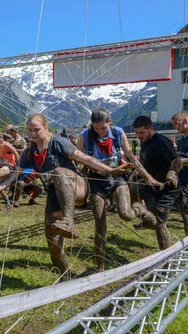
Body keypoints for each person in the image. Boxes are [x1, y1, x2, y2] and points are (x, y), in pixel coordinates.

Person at [0, 114, 131, 279]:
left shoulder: (58, 142)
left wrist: (109, 170)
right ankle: (66, 276)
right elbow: (15, 173)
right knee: (53, 242)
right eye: (30, 130)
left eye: (36, 130)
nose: (32, 133)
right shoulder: (30, 152)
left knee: (59, 172)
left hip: (77, 187)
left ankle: (69, 220)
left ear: (46, 127)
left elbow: (85, 158)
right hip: (55, 195)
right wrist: (0, 187)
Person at [77, 108, 157, 271]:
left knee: (125, 214)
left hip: (117, 178)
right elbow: (78, 159)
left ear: (110, 122)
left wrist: (148, 177)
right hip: (96, 181)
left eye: (103, 128)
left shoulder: (119, 133)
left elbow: (131, 157)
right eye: (96, 128)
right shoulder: (84, 136)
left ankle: (138, 208)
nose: (99, 132)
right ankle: (100, 266)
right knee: (100, 225)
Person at [133, 116, 181, 250]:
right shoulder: (144, 141)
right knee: (131, 191)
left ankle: (165, 256)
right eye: (136, 133)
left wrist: (171, 173)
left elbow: (177, 161)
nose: (139, 136)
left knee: (160, 223)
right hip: (151, 184)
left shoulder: (161, 141)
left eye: (141, 133)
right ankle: (148, 219)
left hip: (167, 187)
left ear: (151, 129)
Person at [172, 111, 188, 235]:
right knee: (184, 212)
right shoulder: (181, 140)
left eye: (177, 124)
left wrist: (180, 161)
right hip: (182, 181)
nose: (175, 127)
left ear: (186, 121)